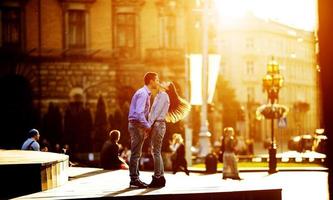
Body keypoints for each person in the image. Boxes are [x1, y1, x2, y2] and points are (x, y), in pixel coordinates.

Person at [147, 82, 191, 187]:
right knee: (156, 152)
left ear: (166, 88)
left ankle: (158, 177)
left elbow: (155, 112)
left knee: (156, 152)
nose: (162, 82)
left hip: (157, 125)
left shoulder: (163, 96)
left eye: (166, 83)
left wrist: (148, 125)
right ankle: (160, 177)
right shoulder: (160, 95)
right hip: (158, 125)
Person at [128, 72, 159, 188]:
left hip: (137, 125)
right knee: (136, 153)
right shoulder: (143, 94)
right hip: (136, 125)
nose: (158, 82)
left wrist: (144, 127)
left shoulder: (144, 93)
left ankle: (135, 178)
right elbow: (139, 113)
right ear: (151, 81)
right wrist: (147, 126)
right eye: (157, 80)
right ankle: (134, 179)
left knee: (137, 153)